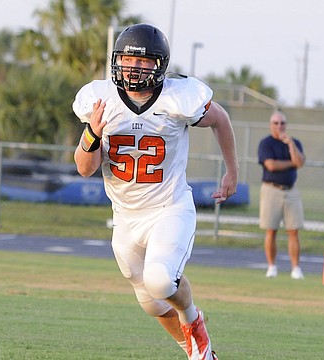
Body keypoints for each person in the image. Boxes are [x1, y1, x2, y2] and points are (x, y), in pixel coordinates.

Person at [73, 24, 238, 360]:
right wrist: (92, 133)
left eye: (144, 61)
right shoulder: (99, 99)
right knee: (151, 302)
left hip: (169, 207)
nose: (134, 67)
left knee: (161, 280)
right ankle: (200, 355)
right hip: (125, 218)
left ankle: (194, 321)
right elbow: (85, 167)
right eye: (128, 59)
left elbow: (221, 119)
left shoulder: (178, 97)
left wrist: (232, 171)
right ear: (116, 60)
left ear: (159, 65)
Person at [258, 111, 305, 280]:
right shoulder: (266, 143)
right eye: (276, 123)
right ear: (271, 124)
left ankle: (296, 268)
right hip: (271, 189)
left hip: (291, 190)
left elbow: (300, 162)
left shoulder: (294, 142)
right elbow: (271, 165)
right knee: (271, 230)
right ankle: (272, 267)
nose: (279, 126)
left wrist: (290, 144)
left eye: (282, 123)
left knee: (294, 230)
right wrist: (292, 163)